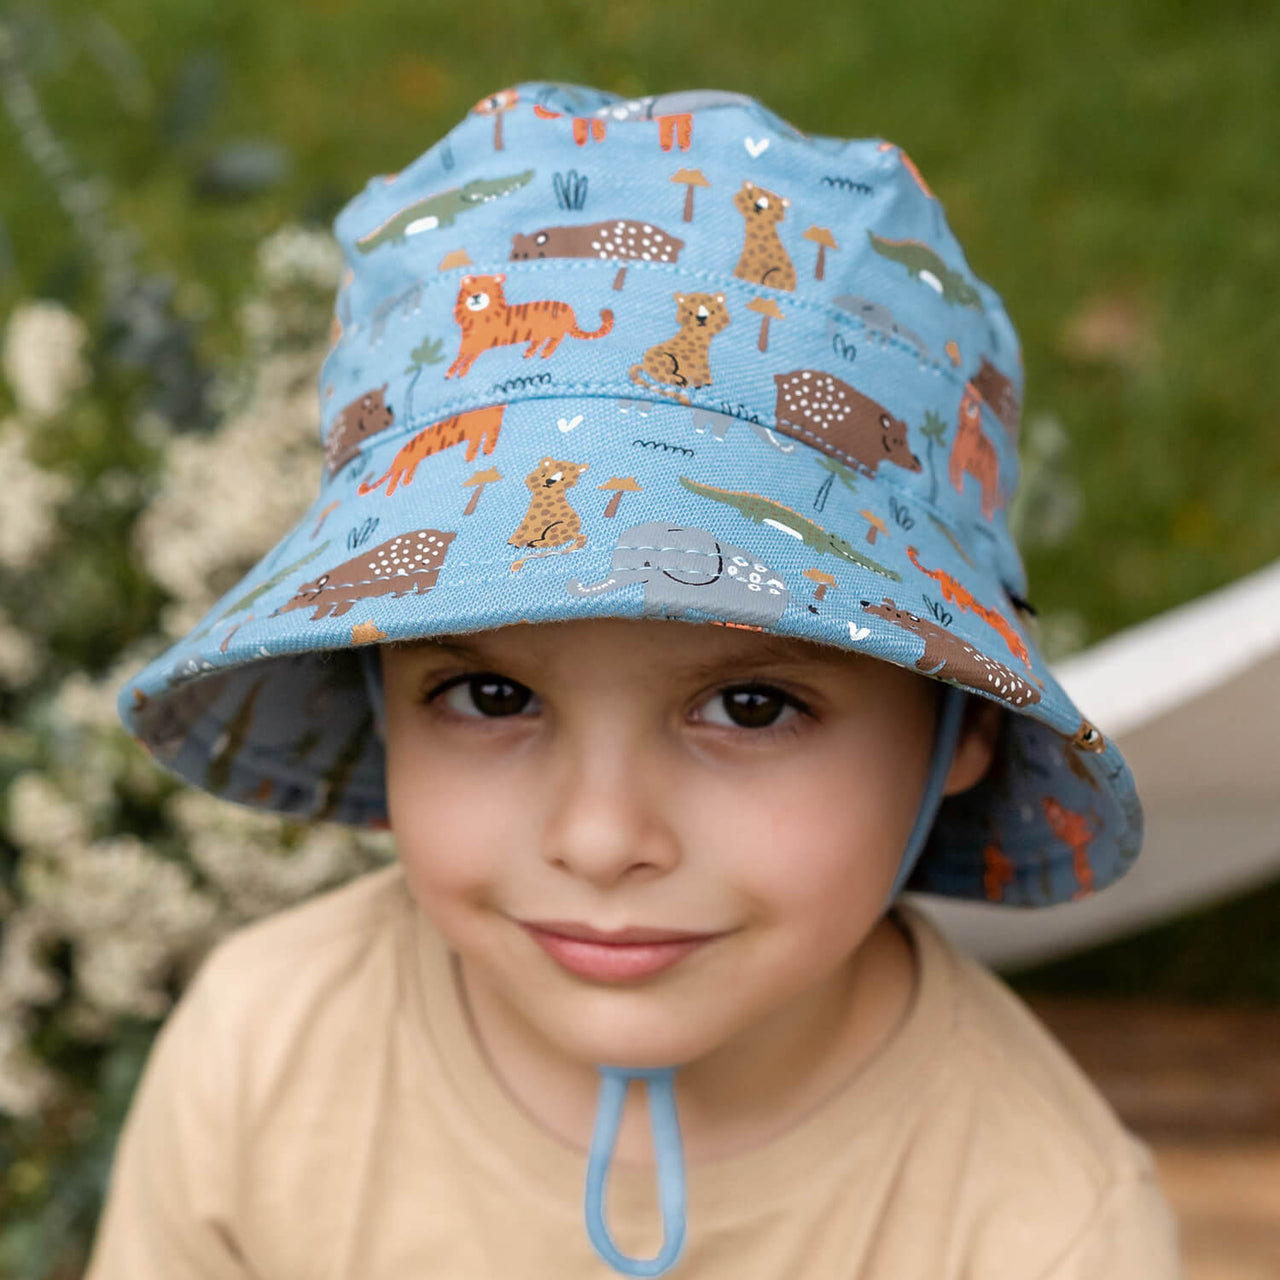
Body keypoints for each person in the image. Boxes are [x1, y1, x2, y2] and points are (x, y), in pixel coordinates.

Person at [85, 80, 1183, 1278]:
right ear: (374, 689)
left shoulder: (1040, 1225)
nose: (602, 837)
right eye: (491, 694)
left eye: (752, 703)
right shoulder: (262, 1058)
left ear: (961, 719)